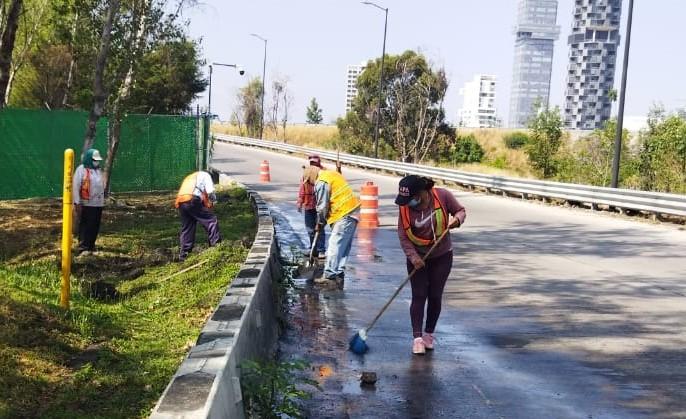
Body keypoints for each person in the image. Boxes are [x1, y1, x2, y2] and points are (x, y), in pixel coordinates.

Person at [395, 175, 466, 355]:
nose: (408, 203)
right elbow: (403, 236)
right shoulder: (405, 209)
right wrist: (413, 257)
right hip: (417, 259)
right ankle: (417, 338)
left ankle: (428, 335)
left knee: (435, 295)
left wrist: (457, 220)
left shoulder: (442, 196)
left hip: (442, 255)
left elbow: (460, 211)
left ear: (422, 193)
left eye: (411, 199)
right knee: (419, 295)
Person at [313, 167, 360, 288]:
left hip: (343, 214)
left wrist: (320, 222)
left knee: (334, 245)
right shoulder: (332, 174)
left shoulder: (322, 181)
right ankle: (338, 273)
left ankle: (329, 275)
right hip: (352, 212)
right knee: (343, 247)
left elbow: (322, 206)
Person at [175, 171, 221, 261]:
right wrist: (214, 202)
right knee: (212, 220)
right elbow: (210, 192)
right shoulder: (206, 175)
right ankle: (216, 246)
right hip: (192, 199)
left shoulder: (192, 176)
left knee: (188, 227)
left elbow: (200, 194)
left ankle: (184, 255)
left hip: (181, 201)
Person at [73, 148, 106, 254]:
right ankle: (83, 245)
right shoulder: (81, 169)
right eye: (94, 160)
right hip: (86, 203)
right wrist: (77, 202)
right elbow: (76, 186)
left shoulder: (98, 170)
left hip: (98, 203)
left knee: (95, 224)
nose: (96, 162)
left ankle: (91, 245)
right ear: (89, 158)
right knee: (86, 224)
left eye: (97, 160)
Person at [297, 155, 326, 258]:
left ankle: (321, 249)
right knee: (310, 229)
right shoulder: (306, 173)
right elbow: (302, 188)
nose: (313, 166)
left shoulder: (323, 173)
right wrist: (300, 202)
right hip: (308, 204)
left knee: (320, 228)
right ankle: (313, 249)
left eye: (315, 163)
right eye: (312, 163)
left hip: (320, 205)